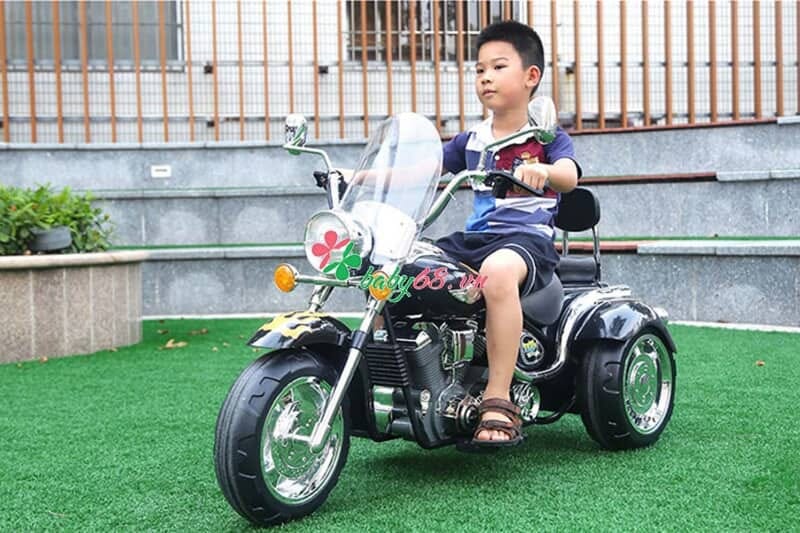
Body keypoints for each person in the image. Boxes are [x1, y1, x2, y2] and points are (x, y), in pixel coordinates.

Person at [436, 20, 581, 448]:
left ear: (530, 76)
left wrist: (546, 171)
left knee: (497, 273)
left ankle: (497, 399)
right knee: (404, 263)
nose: (485, 77)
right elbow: (422, 166)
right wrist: (360, 175)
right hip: (474, 240)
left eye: (498, 67)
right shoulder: (471, 140)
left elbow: (569, 175)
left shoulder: (546, 137)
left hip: (526, 241)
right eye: (479, 69)